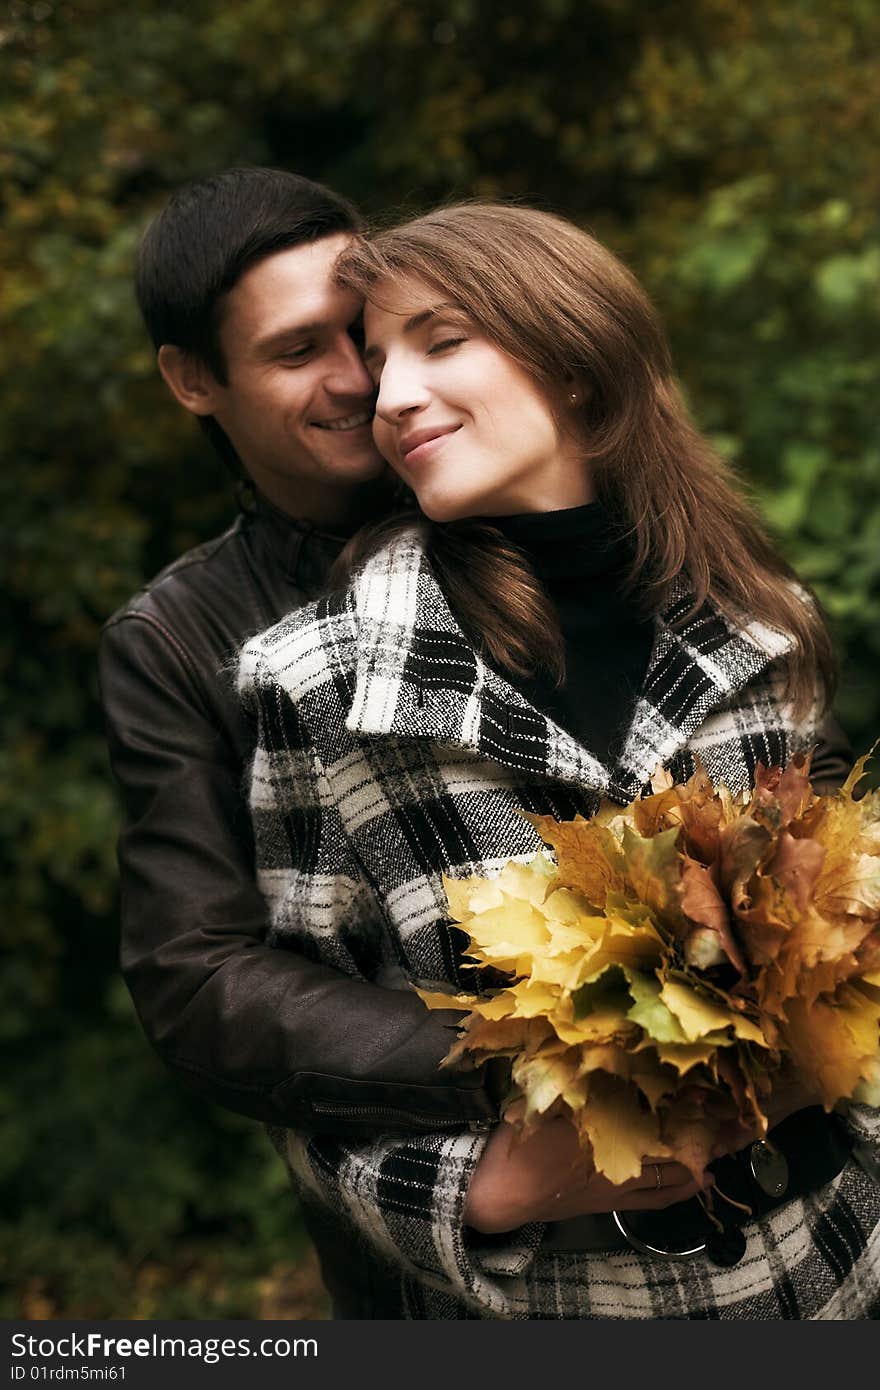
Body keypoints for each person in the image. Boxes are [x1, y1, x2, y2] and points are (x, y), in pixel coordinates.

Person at [238, 202, 880, 1319]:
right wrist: (477, 1194)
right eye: (380, 365)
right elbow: (295, 1061)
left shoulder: (765, 634)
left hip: (837, 1274)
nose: (388, 399)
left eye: (440, 342)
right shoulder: (319, 685)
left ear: (576, 362)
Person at [98, 169, 508, 1314]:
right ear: (194, 381)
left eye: (361, 332)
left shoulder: (518, 494)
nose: (357, 381)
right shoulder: (174, 640)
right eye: (294, 352)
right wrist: (516, 1058)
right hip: (435, 1245)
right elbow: (198, 979)